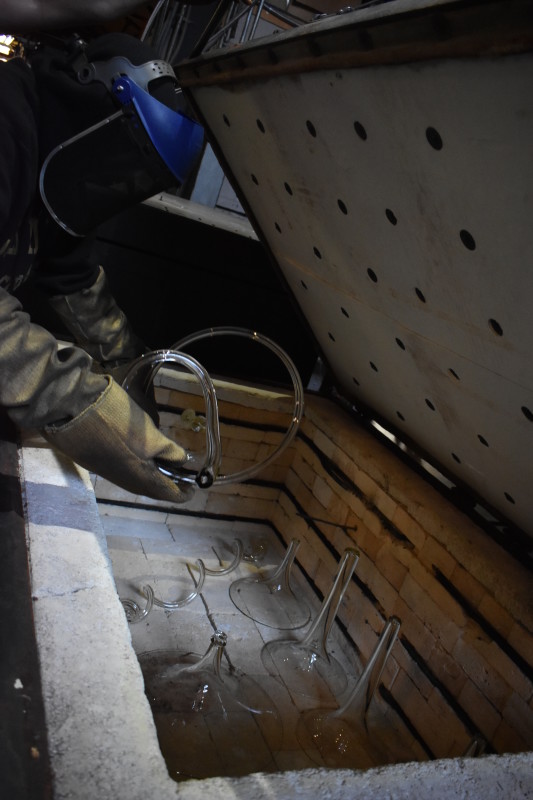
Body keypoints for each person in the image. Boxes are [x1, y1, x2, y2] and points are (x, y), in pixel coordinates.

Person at [0, 28, 205, 503]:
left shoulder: (55, 172)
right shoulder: (7, 124)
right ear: (89, 112)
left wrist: (130, 366)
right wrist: (84, 402)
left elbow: (73, 279)